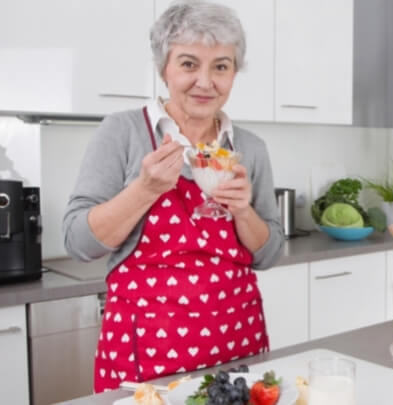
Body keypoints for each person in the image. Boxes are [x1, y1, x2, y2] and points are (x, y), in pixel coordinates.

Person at [62, 0, 283, 392]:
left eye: (221, 66)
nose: (205, 81)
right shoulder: (123, 132)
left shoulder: (250, 147)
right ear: (163, 69)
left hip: (236, 342)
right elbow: (79, 243)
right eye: (188, 64)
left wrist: (243, 211)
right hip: (147, 349)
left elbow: (269, 254)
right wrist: (144, 189)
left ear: (234, 73)